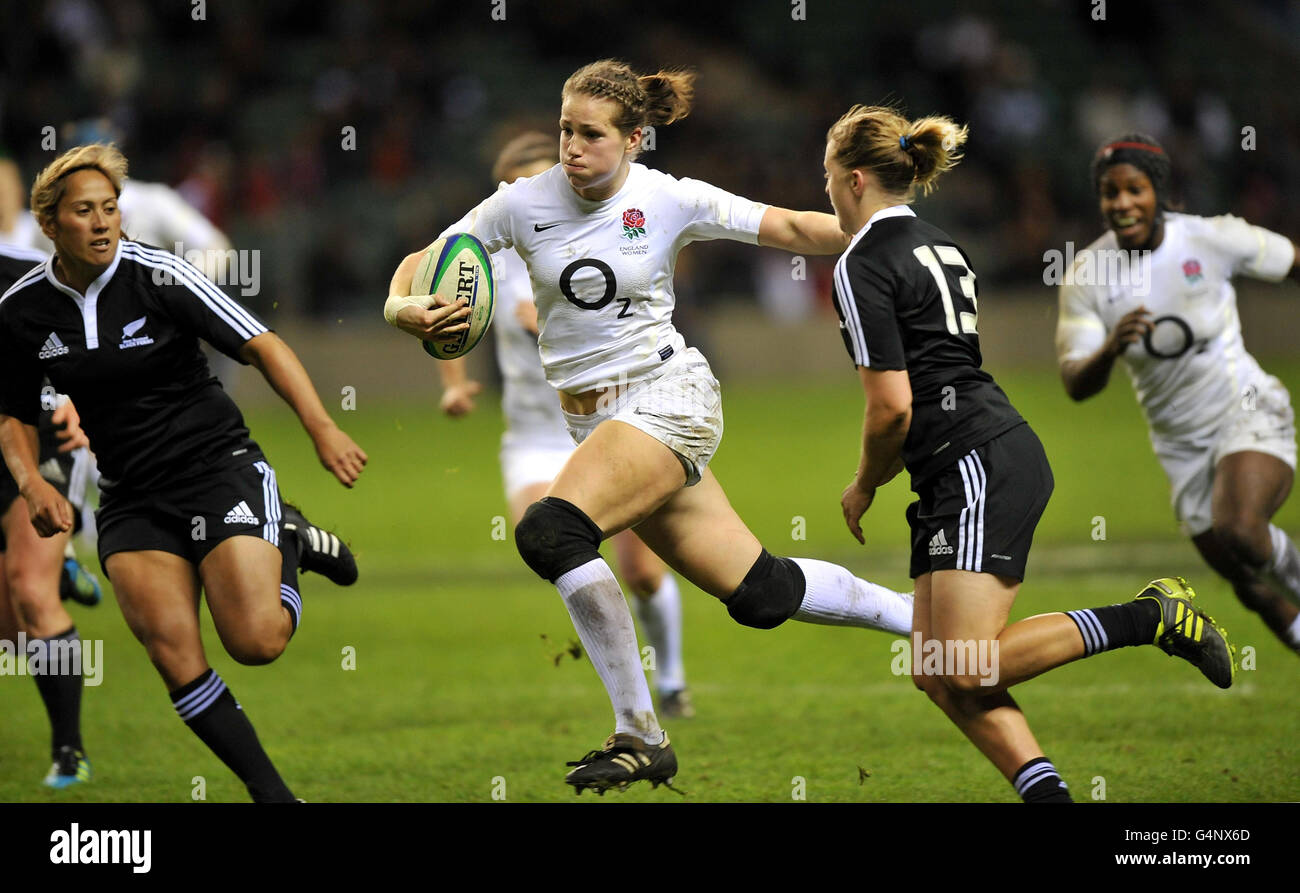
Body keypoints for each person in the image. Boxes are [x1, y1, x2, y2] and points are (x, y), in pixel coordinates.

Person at [386, 60, 916, 795]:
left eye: (592, 134)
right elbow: (425, 260)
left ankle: (641, 731)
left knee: (551, 532)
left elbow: (792, 225)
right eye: (566, 128)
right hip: (593, 420)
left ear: (636, 138)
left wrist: (894, 235)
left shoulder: (669, 198)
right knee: (760, 592)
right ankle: (927, 621)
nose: (573, 146)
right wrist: (399, 306)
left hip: (670, 397)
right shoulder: (520, 203)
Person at [825, 106, 1235, 802]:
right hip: (970, 457)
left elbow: (892, 404)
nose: (827, 191)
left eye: (828, 177)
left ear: (855, 178)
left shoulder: (860, 261)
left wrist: (864, 482)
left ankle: (1153, 616)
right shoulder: (940, 243)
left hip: (975, 460)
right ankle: (1050, 795)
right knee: (936, 666)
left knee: (966, 662)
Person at [0, 143, 367, 803]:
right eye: (85, 211)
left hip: (215, 468)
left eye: (111, 208)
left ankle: (289, 534)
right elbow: (14, 415)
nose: (104, 221)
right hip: (131, 495)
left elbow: (263, 344)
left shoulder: (158, 274)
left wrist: (322, 426)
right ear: (50, 224)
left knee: (256, 640)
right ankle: (275, 796)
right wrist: (33, 483)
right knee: (174, 655)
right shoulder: (23, 309)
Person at [437, 131, 695, 718]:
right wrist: (455, 387)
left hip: (611, 424)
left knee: (645, 575)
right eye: (526, 181)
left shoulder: (602, 239)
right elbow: (446, 317)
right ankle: (631, 701)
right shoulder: (487, 255)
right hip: (533, 437)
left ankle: (672, 679)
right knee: (548, 539)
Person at [1057, 134, 1300, 655]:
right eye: (1109, 193)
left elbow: (1290, 260)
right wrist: (1111, 348)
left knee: (1240, 528)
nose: (1122, 203)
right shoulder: (1085, 277)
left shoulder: (1212, 238)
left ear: (1158, 191)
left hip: (1247, 409)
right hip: (1179, 446)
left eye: (1134, 189)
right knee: (1250, 583)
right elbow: (1075, 382)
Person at [0, 241, 99, 788]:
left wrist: (74, 392)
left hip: (40, 439)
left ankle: (69, 752)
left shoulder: (25, 270)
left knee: (32, 595)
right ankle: (56, 565)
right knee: (12, 632)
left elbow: (92, 323)